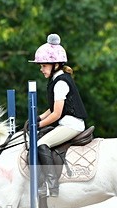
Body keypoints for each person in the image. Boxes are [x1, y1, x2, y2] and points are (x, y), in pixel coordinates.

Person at [28, 33, 88, 197]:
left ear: (55, 64)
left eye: (43, 66)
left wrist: (37, 125)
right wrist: (37, 117)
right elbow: (51, 109)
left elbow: (56, 114)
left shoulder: (60, 82)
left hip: (72, 124)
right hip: (66, 122)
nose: (41, 69)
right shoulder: (57, 79)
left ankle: (51, 185)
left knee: (41, 144)